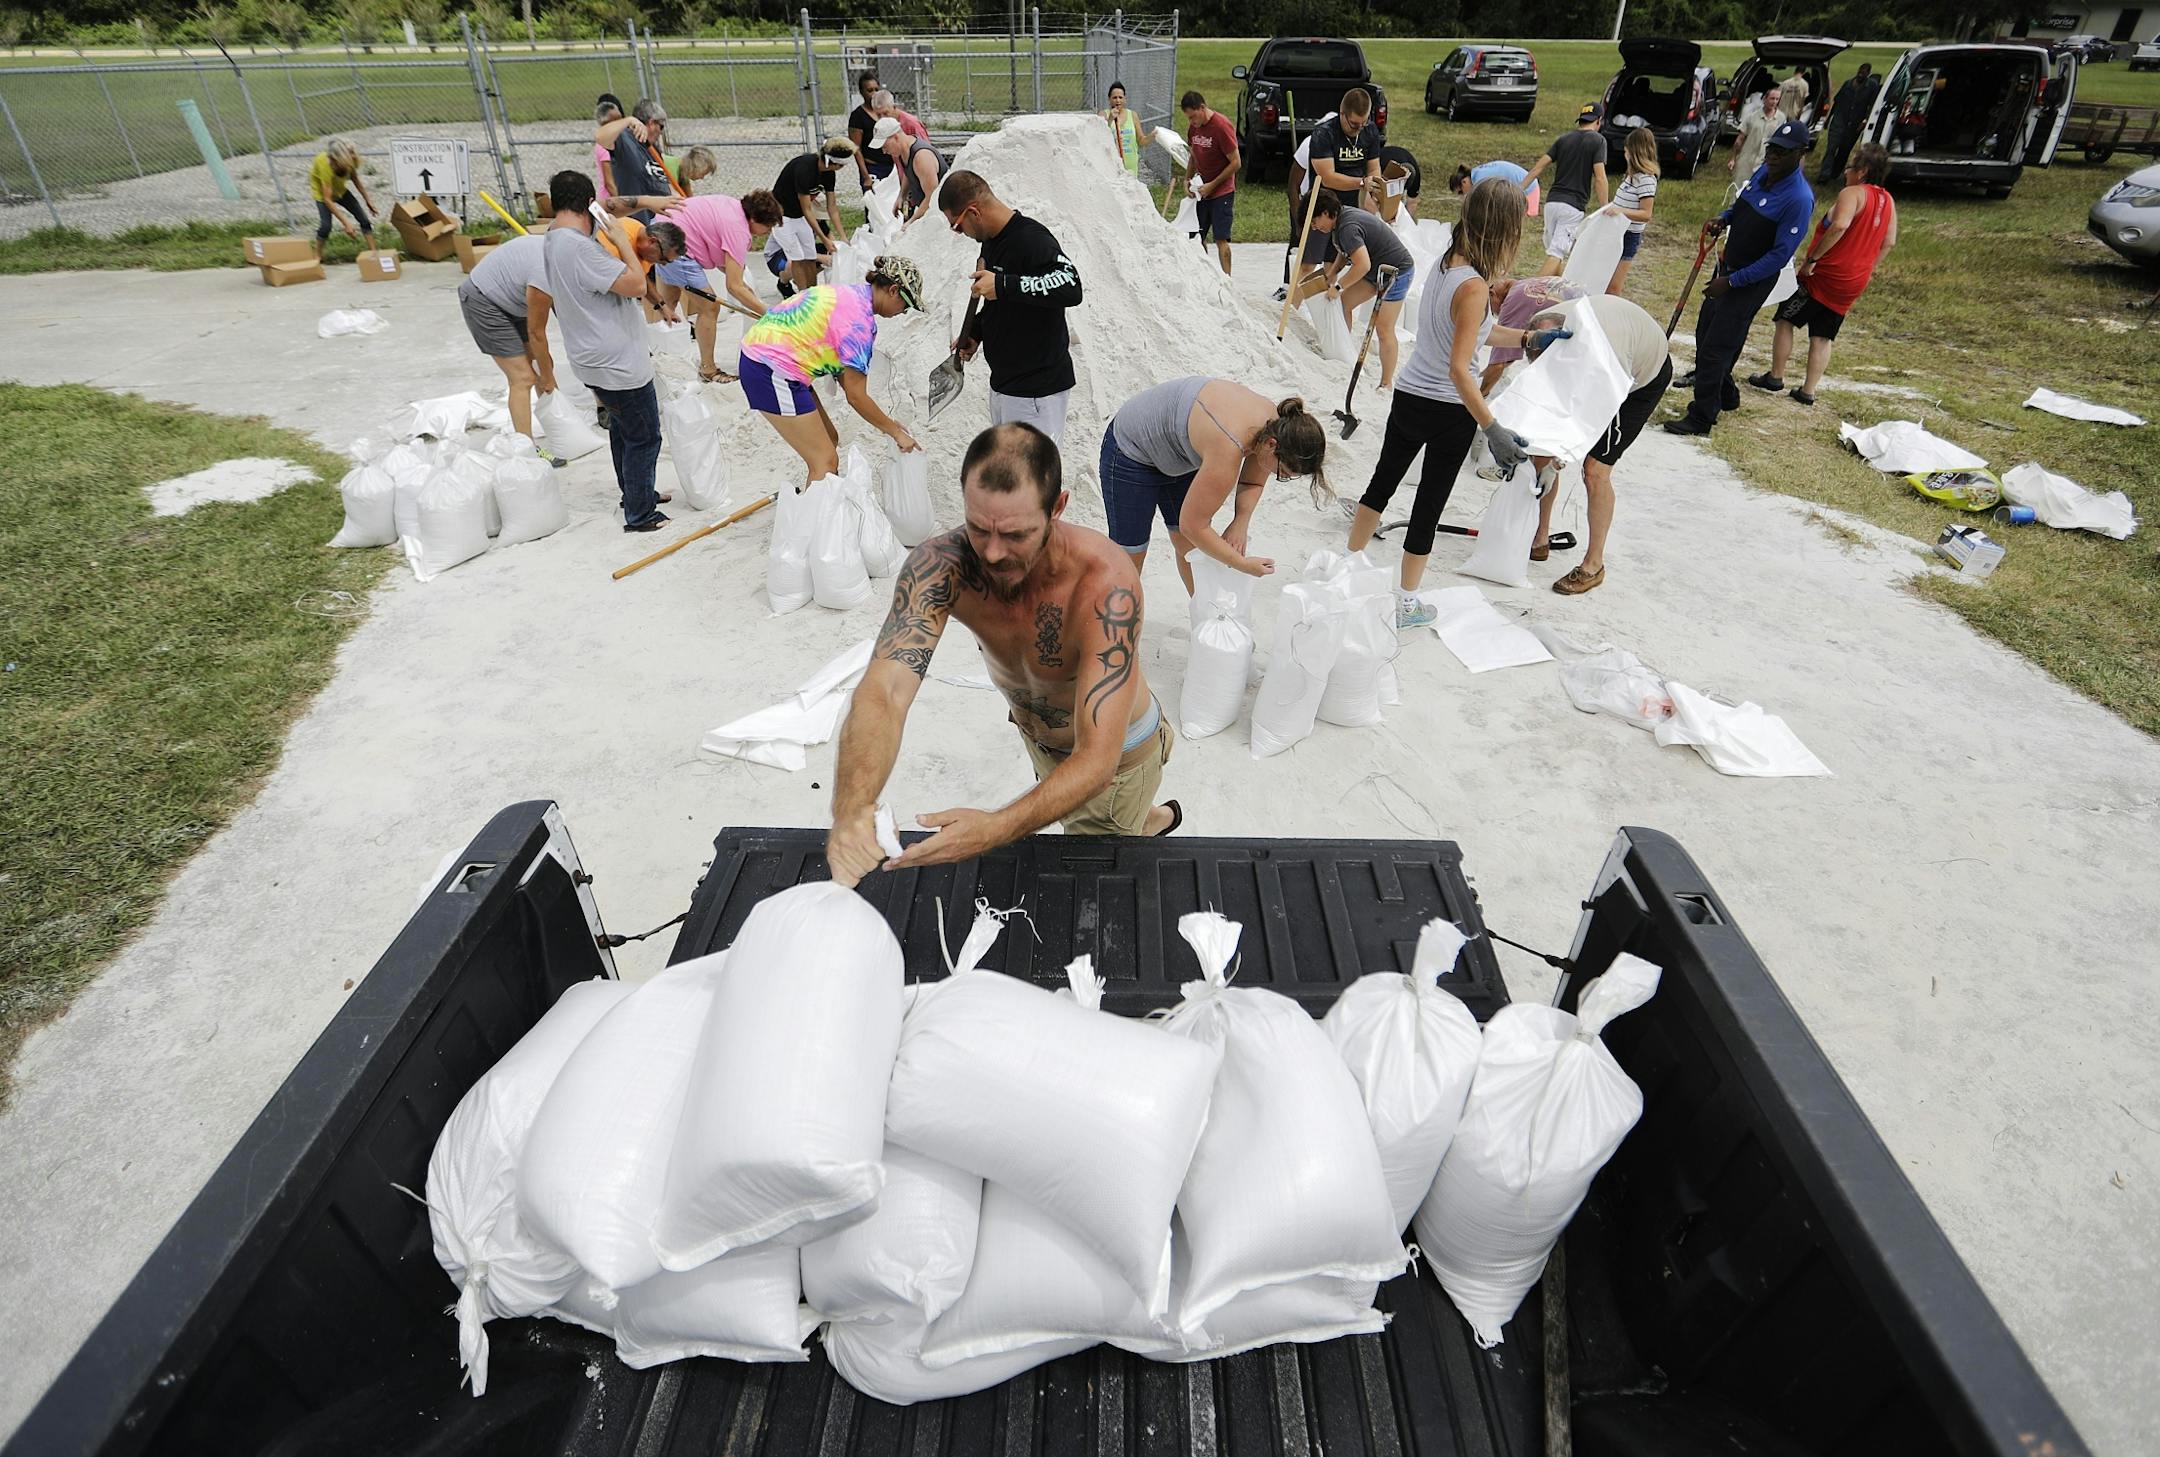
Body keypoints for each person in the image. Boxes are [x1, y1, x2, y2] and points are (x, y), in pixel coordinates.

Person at [826, 423, 1181, 884]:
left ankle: (1139, 818)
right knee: (1083, 811)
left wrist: (993, 829)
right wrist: (852, 807)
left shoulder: (1104, 583)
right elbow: (886, 691)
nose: (992, 554)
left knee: (1093, 865)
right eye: (979, 528)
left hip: (1114, 757)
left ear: (1057, 508)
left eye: (1015, 534)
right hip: (1040, 736)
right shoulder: (941, 566)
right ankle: (1145, 817)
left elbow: (1096, 759)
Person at [1345, 179, 1557, 630]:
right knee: (1428, 507)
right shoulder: (1477, 286)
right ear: (1503, 229)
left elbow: (1472, 332)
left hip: (1409, 394)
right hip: (1447, 410)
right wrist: (1492, 428)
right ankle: (1406, 603)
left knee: (1381, 484)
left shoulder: (1448, 263)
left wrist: (1525, 337)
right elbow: (1462, 368)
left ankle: (1347, 571)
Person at [1099, 379, 1330, 597]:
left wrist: (1240, 522)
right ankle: (1113, 634)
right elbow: (1193, 525)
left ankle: (1205, 618)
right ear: (1272, 445)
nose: (1278, 477)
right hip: (1131, 450)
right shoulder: (1229, 446)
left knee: (1189, 548)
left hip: (1178, 451)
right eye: (1283, 474)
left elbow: (1253, 482)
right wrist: (1241, 564)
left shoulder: (1276, 426)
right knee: (1130, 557)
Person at [533, 171, 669, 534]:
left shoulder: (551, 238)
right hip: (616, 363)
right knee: (644, 435)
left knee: (623, 431)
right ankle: (640, 515)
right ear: (584, 204)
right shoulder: (579, 248)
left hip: (591, 358)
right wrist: (621, 239)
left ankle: (636, 494)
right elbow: (637, 284)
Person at [1665, 121, 1814, 438]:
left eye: (1782, 152)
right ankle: (1727, 394)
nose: (1773, 156)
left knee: (1716, 347)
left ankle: (1702, 417)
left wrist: (1733, 282)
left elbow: (1779, 255)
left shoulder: (1799, 199)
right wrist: (1725, 218)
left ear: (1800, 154)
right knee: (1706, 333)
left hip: (1750, 280)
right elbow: (1741, 204)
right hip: (1727, 267)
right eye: (1772, 148)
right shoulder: (1764, 172)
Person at [1521, 293, 1672, 596]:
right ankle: (1539, 538)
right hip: (1606, 355)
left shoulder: (1606, 356)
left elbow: (1592, 418)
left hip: (1637, 381)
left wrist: (1557, 461)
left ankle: (1594, 565)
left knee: (1595, 470)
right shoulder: (1545, 326)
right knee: (1541, 448)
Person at [737, 254, 923, 488]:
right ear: (894, 290)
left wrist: (889, 425)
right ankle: (816, 523)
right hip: (770, 369)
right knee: (824, 460)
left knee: (830, 440)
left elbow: (849, 382)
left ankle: (822, 508)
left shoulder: (850, 295)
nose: (904, 311)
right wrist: (895, 431)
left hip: (771, 360)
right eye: (906, 304)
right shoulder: (859, 326)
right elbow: (855, 396)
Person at [1751, 141, 1897, 407]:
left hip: (1825, 273)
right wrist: (1866, 266)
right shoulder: (1888, 201)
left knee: (1786, 319)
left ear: (1863, 171)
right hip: (1854, 281)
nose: (1846, 172)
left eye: (1851, 166)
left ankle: (1776, 376)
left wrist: (1812, 259)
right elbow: (1889, 242)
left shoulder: (1852, 194)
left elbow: (1840, 226)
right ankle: (1808, 390)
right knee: (1823, 334)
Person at [941, 171, 1082, 446]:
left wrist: (1004, 284)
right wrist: (978, 332)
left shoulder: (1031, 238)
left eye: (957, 226)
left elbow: (1070, 285)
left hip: (1036, 393)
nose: (960, 234)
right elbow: (1005, 304)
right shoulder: (991, 243)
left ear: (973, 212)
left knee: (1032, 484)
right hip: (1007, 387)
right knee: (1012, 481)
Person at [648, 190, 782, 381]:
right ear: (753, 219)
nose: (768, 232)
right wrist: (769, 314)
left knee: (665, 305)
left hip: (660, 231)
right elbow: (734, 286)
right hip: (673, 244)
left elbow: (728, 269)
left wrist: (748, 294)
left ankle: (656, 358)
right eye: (767, 226)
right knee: (710, 307)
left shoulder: (733, 205)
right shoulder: (738, 229)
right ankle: (708, 369)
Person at [457, 231, 565, 461]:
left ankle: (559, 430)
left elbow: (563, 317)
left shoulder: (564, 256)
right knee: (524, 377)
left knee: (542, 366)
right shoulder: (545, 274)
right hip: (483, 300)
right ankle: (526, 450)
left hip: (513, 296)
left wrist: (547, 371)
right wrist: (546, 375)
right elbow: (537, 334)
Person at [1309, 190, 1415, 392]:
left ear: (1325, 213)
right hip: (1376, 269)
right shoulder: (1339, 224)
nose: (1315, 227)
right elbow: (1345, 251)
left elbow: (1362, 264)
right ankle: (1343, 351)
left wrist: (1339, 287)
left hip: (1397, 271)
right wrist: (1333, 273)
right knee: (1344, 304)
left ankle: (1386, 383)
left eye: (1315, 222)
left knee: (1384, 329)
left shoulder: (1347, 226)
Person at [1522, 103, 1609, 276]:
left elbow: (1537, 169)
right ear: (1598, 121)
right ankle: (1528, 294)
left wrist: (1519, 189)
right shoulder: (1598, 141)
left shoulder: (1564, 139)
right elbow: (1600, 178)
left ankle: (1556, 292)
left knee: (1555, 255)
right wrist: (1604, 207)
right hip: (1572, 207)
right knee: (1557, 253)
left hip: (1552, 204)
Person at [772, 140, 853, 294]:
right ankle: (803, 297)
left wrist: (843, 237)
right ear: (833, 162)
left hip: (799, 215)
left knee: (809, 256)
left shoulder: (829, 173)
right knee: (798, 257)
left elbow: (832, 207)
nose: (841, 169)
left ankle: (812, 294)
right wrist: (825, 240)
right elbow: (807, 209)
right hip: (782, 216)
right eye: (841, 166)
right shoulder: (805, 168)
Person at [1182, 90, 1239, 275]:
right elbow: (1193, 156)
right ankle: (1205, 277)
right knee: (1197, 236)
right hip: (1201, 190)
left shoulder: (1221, 126)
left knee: (1221, 238)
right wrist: (1187, 179)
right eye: (1188, 119)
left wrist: (1212, 185)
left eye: (1193, 116)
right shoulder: (1193, 128)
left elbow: (1236, 162)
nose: (1192, 122)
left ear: (1202, 108)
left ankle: (1227, 279)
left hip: (1221, 191)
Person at [596, 99, 684, 221]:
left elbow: (665, 183)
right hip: (636, 222)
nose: (660, 132)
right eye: (661, 126)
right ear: (652, 123)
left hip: (659, 223)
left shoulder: (654, 150)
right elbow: (600, 136)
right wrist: (629, 120)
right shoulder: (625, 140)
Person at [1600, 126, 1659, 296]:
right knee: (1603, 280)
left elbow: (1646, 214)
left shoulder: (1646, 180)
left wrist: (1620, 211)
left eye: (1626, 151)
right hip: (1615, 232)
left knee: (1614, 286)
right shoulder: (1630, 177)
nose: (1624, 154)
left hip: (1628, 235)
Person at [1305, 88, 1383, 211]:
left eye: (1364, 123)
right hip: (1325, 204)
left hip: (1356, 202)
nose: (1359, 128)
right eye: (1354, 124)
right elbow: (1327, 178)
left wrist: (1376, 191)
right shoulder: (1324, 134)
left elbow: (1373, 168)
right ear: (1342, 113)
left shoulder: (1371, 130)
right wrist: (1362, 183)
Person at [308, 139, 376, 262]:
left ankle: (373, 253)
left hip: (340, 190)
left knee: (364, 219)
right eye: (331, 160)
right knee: (326, 226)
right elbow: (327, 199)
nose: (331, 163)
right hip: (322, 194)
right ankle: (317, 256)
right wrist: (346, 223)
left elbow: (355, 180)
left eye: (333, 161)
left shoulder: (351, 160)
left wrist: (368, 200)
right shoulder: (324, 165)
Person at [874, 116, 947, 226]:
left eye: (885, 146)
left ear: (896, 137)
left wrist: (911, 222)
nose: (884, 152)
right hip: (929, 210)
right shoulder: (903, 151)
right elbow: (908, 173)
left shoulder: (921, 157)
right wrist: (901, 197)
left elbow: (932, 196)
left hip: (943, 212)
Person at [1816, 63, 1878, 183]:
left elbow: (1872, 105)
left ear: (1868, 74)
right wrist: (1828, 119)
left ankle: (1835, 173)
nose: (1861, 74)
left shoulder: (1872, 86)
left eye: (1864, 73)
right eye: (1860, 71)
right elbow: (1837, 102)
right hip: (1839, 121)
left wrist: (1866, 120)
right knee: (1831, 149)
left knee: (1844, 151)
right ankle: (1824, 176)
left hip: (1854, 125)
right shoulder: (1848, 84)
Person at [1727, 81, 1785, 203]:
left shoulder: (1781, 119)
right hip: (1747, 160)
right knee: (1739, 190)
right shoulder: (1751, 117)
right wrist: (1733, 158)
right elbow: (1740, 139)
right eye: (1771, 99)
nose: (1774, 102)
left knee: (1760, 192)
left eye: (1777, 99)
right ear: (1764, 99)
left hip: (1765, 162)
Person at [1452, 158, 1541, 216]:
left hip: (1529, 188)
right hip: (1526, 185)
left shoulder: (1480, 180)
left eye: (1461, 192)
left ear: (1464, 182)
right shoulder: (1477, 172)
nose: (1463, 194)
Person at [1102, 81, 1156, 175]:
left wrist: (1153, 136)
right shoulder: (1103, 115)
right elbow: (1100, 136)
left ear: (1125, 99)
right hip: (1111, 166)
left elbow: (1141, 140)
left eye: (1120, 97)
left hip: (1130, 166)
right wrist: (1110, 119)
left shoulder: (1133, 115)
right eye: (1114, 98)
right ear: (1109, 99)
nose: (1118, 100)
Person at [847, 70, 886, 186]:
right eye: (869, 90)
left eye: (876, 90)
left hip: (892, 165)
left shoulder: (886, 111)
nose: (874, 94)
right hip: (873, 167)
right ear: (862, 92)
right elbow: (856, 149)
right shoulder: (858, 116)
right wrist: (866, 176)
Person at [1377, 141, 1422, 218]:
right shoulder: (1382, 167)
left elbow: (1412, 201)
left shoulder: (1416, 178)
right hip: (1382, 162)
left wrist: (1408, 222)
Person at [592, 94, 623, 200]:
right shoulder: (604, 146)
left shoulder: (616, 141)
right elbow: (609, 183)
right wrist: (623, 203)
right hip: (610, 200)